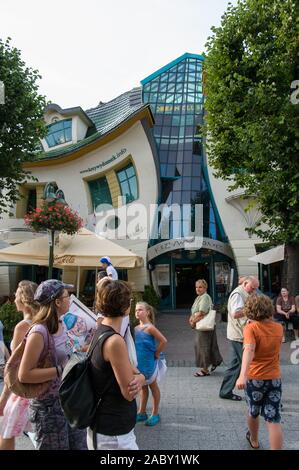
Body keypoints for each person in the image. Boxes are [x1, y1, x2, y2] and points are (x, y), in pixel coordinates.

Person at [18, 279, 87, 450]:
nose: (70, 299)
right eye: (67, 296)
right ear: (57, 302)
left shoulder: (62, 324)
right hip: (48, 409)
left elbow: (65, 353)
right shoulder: (39, 332)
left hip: (68, 401)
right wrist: (61, 370)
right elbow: (24, 374)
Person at [88, 278, 145, 450]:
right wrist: (141, 377)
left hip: (108, 428)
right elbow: (129, 392)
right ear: (126, 306)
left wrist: (138, 376)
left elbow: (128, 370)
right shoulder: (115, 341)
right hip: (113, 433)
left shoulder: (101, 332)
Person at [236, 294, 283, 450]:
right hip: (275, 377)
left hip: (255, 378)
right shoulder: (279, 327)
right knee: (273, 419)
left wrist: (242, 376)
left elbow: (249, 350)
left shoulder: (251, 328)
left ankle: (254, 440)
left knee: (253, 411)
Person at [0, 281, 40, 450]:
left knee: (6, 432)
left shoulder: (22, 327)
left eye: (16, 296)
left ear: (23, 301)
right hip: (39, 389)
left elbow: (13, 369)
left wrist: (2, 401)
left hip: (21, 391)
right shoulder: (43, 324)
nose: (13, 299)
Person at [219, 275, 259, 401]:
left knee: (236, 364)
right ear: (245, 283)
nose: (253, 291)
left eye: (255, 289)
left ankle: (226, 391)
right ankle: (253, 394)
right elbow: (236, 313)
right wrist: (251, 309)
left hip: (239, 334)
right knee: (248, 364)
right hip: (239, 335)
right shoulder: (237, 294)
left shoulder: (245, 292)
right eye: (252, 288)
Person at [135, 302, 167, 426]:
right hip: (140, 363)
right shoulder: (136, 328)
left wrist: (157, 354)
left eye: (140, 310)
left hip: (149, 362)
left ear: (147, 312)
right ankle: (142, 412)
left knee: (153, 387)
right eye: (136, 310)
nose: (137, 312)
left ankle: (155, 413)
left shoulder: (150, 327)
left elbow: (163, 340)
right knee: (143, 388)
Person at [189, 279, 222, 377]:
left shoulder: (205, 297)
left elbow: (202, 312)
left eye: (200, 287)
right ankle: (216, 361)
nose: (198, 289)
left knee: (202, 347)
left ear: (205, 288)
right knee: (209, 345)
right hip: (203, 326)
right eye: (196, 287)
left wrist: (193, 322)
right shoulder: (199, 297)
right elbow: (194, 311)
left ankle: (205, 369)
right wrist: (191, 318)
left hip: (203, 326)